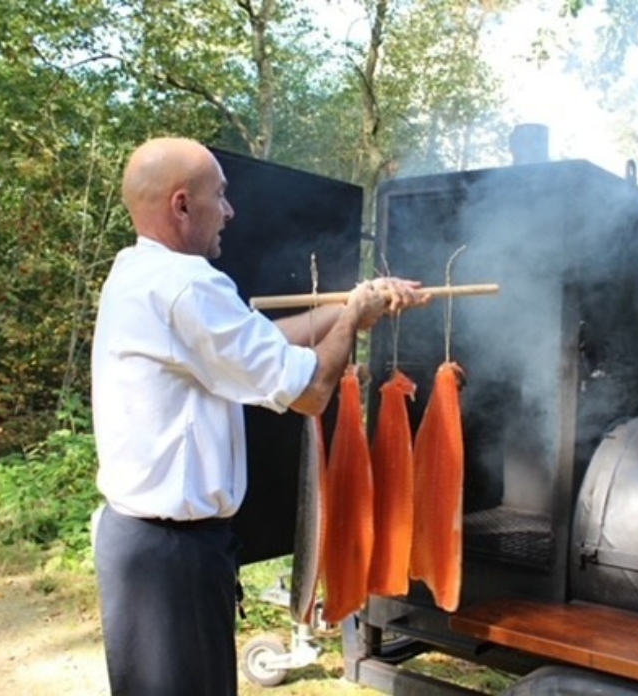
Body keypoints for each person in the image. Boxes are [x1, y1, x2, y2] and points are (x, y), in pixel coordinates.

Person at [89, 136, 426, 695]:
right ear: (181, 205)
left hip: (147, 546)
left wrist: (350, 305)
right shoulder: (186, 285)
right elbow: (312, 392)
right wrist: (352, 320)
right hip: (171, 553)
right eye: (220, 196)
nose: (229, 211)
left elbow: (258, 342)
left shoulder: (139, 271)